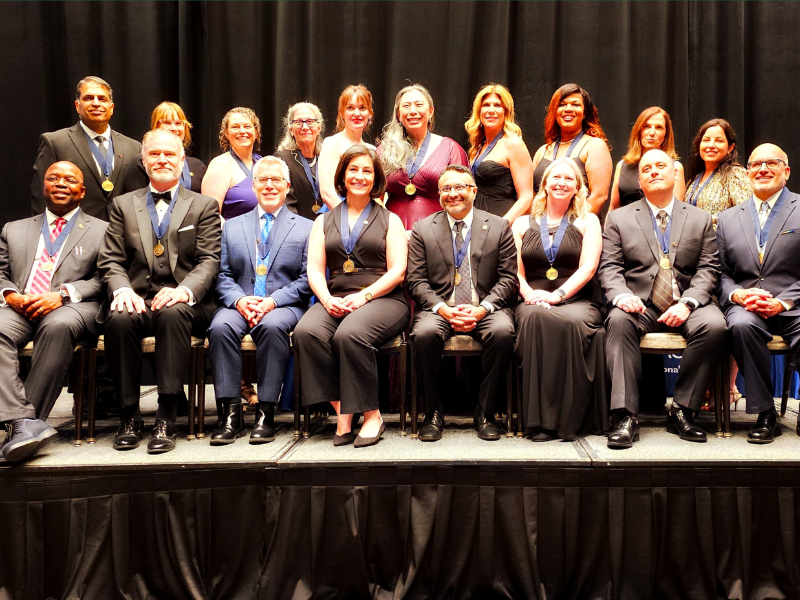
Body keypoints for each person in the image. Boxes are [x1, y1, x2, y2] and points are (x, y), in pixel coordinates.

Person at [98, 130, 221, 454]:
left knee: (172, 312)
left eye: (170, 154)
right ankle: (130, 416)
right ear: (144, 160)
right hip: (139, 297)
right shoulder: (123, 205)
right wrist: (122, 290)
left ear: (182, 160)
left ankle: (166, 416)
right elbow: (110, 259)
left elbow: (209, 261)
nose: (162, 159)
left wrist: (184, 291)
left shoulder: (204, 205)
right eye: (155, 154)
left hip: (186, 304)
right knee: (119, 319)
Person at [599, 149, 727, 449]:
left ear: (675, 174)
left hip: (686, 302)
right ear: (640, 180)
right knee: (618, 321)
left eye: (661, 166)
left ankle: (682, 410)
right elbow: (610, 267)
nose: (654, 171)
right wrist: (621, 296)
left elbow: (709, 268)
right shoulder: (619, 218)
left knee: (715, 325)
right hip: (639, 303)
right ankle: (625, 416)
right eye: (647, 168)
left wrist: (689, 303)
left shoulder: (700, 218)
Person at [293, 145, 409, 448]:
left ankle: (373, 415)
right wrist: (326, 299)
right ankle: (342, 408)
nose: (359, 176)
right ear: (343, 175)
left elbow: (398, 272)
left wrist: (365, 296)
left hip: (384, 298)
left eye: (366, 171)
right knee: (306, 332)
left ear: (376, 178)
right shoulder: (323, 221)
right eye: (353, 170)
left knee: (350, 334)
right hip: (337, 296)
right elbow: (315, 271)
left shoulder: (390, 219)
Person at [0, 162, 107, 463]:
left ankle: (22, 428)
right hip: (20, 305)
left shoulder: (103, 230)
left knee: (57, 326)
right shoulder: (14, 229)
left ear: (82, 191)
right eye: (53, 178)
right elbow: (0, 272)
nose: (61, 183)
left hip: (73, 306)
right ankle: (24, 423)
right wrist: (11, 295)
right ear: (42, 186)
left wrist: (62, 294)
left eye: (69, 179)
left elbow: (105, 278)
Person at [407, 164, 517, 442]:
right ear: (439, 193)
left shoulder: (499, 225)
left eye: (460, 187)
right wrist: (443, 309)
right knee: (423, 334)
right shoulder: (423, 228)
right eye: (446, 188)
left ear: (474, 191)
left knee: (503, 332)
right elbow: (415, 281)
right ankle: (433, 412)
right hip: (440, 308)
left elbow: (508, 279)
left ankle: (486, 412)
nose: (453, 193)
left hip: (486, 306)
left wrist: (482, 309)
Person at [207, 156, 313, 444]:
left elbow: (307, 279)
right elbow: (222, 274)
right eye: (262, 180)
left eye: (276, 179)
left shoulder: (307, 227)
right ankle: (230, 414)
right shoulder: (231, 226)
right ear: (253, 186)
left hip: (283, 306)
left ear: (287, 186)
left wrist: (272, 301)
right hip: (239, 302)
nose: (269, 185)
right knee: (219, 328)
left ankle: (266, 412)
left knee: (273, 327)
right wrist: (240, 301)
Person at [511, 158, 605, 441]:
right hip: (531, 298)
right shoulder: (520, 223)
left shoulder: (589, 221)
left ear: (577, 187)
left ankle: (568, 422)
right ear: (545, 184)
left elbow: (588, 268)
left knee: (570, 322)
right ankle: (539, 422)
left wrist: (556, 295)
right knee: (535, 318)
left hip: (576, 299)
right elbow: (513, 271)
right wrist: (528, 293)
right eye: (556, 178)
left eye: (569, 179)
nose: (562, 183)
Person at [717, 144, 800, 444]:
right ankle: (766, 414)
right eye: (756, 164)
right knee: (739, 325)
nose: (763, 169)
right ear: (748, 171)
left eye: (772, 163)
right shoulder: (727, 219)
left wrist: (784, 301)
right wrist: (738, 296)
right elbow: (720, 273)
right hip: (747, 305)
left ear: (786, 171)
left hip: (794, 303)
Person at [31, 76, 148, 221]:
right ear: (77, 106)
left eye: (102, 99)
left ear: (111, 108)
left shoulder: (133, 146)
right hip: (74, 234)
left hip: (122, 232)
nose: (96, 103)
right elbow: (41, 196)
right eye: (88, 98)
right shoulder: (55, 142)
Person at [379, 84, 469, 230]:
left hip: (440, 233)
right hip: (392, 233)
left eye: (419, 105)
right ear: (398, 114)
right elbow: (376, 197)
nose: (412, 111)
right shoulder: (384, 150)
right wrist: (390, 231)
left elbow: (463, 196)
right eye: (406, 106)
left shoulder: (450, 148)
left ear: (431, 111)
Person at [532, 84, 613, 215]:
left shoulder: (594, 146)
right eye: (562, 104)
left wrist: (571, 228)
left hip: (578, 229)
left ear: (585, 113)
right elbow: (533, 196)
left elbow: (599, 196)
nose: (568, 109)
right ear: (555, 111)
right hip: (541, 229)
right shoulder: (542, 151)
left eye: (575, 105)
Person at [464, 84, 533, 222]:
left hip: (502, 224)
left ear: (506, 111)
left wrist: (502, 225)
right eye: (486, 105)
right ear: (479, 110)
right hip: (476, 224)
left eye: (497, 105)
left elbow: (526, 197)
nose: (491, 110)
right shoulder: (476, 148)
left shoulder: (513, 144)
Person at [610, 107, 685, 210]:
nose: (652, 133)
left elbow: (677, 212)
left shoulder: (675, 167)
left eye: (658, 127)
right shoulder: (622, 165)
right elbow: (613, 208)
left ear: (666, 134)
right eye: (646, 126)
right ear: (639, 131)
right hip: (625, 225)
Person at [317, 85, 376, 210]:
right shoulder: (332, 143)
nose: (357, 113)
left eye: (362, 108)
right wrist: (349, 221)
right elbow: (327, 193)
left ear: (369, 113)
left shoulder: (373, 150)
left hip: (367, 217)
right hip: (338, 216)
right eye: (350, 108)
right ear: (341, 113)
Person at [684, 118, 751, 228]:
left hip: (721, 243)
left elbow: (745, 216)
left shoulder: (736, 175)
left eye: (719, 141)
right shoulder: (695, 178)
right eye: (706, 140)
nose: (711, 145)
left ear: (730, 147)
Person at [202, 107, 263, 221]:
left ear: (256, 132)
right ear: (226, 133)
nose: (242, 131)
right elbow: (210, 217)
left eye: (247, 126)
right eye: (235, 127)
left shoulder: (263, 163)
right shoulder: (220, 165)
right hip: (235, 236)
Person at [275, 102, 325, 220]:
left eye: (310, 121)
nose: (305, 127)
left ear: (319, 128)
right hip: (296, 229)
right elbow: (285, 203)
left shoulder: (327, 158)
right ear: (291, 129)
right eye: (298, 122)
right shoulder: (282, 159)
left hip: (327, 229)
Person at [149, 101, 207, 193]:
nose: (174, 128)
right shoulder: (143, 163)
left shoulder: (198, 166)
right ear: (156, 126)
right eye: (167, 123)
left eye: (178, 123)